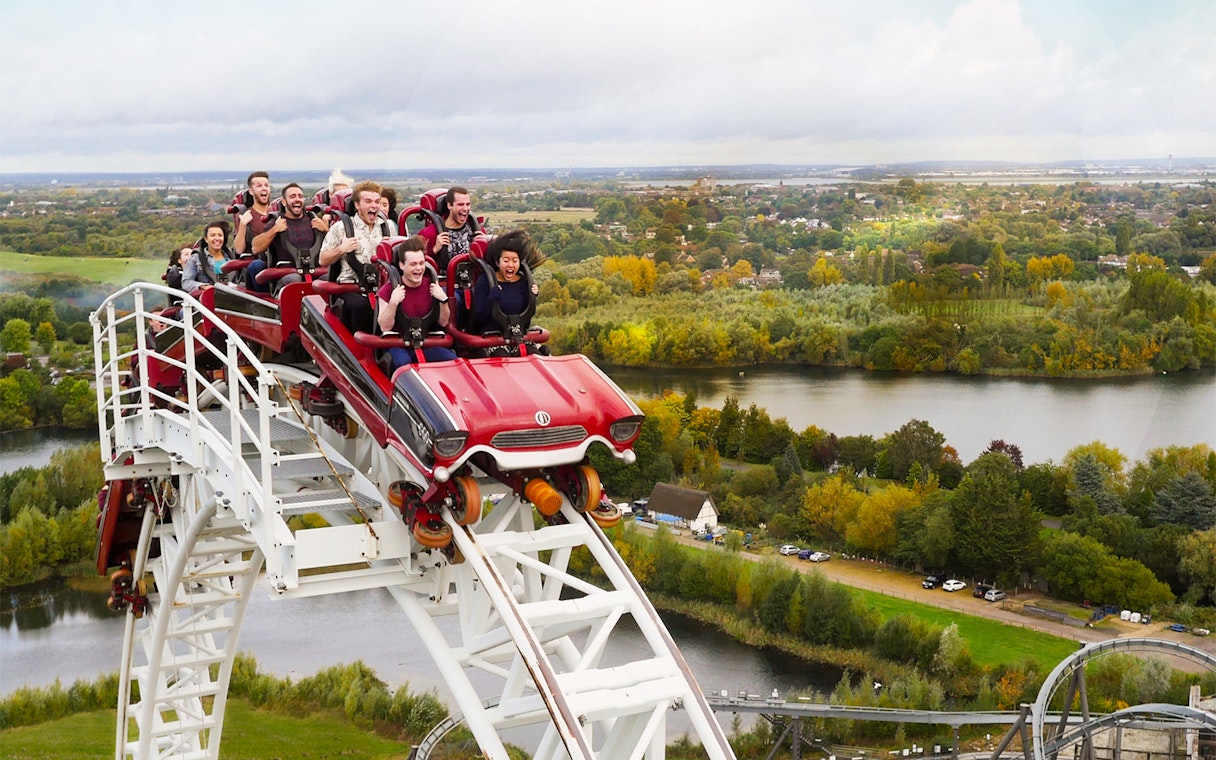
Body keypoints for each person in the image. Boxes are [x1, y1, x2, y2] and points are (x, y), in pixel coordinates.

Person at [376, 236, 455, 370]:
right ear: (402, 265)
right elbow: (385, 327)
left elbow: (443, 322)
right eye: (413, 264)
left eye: (421, 263)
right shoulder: (388, 290)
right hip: (399, 346)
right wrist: (393, 303)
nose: (419, 268)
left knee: (451, 360)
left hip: (425, 343)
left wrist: (443, 301)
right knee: (403, 362)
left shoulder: (431, 286)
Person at [318, 181, 387, 334]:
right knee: (361, 307)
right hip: (351, 285)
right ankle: (362, 352)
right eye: (368, 201)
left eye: (377, 202)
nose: (374, 206)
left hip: (381, 285)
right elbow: (322, 259)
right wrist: (341, 249)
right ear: (357, 205)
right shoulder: (341, 228)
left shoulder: (387, 227)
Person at [472, 229, 547, 353]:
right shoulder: (485, 281)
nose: (510, 265)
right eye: (506, 261)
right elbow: (479, 316)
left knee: (535, 354)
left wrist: (532, 297)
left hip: (517, 336)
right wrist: (492, 298)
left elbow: (526, 317)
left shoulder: (523, 281)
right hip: (493, 338)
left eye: (515, 261)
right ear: (498, 262)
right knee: (501, 356)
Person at [254, 183, 329, 291]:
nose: (297, 199)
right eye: (292, 196)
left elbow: (337, 245)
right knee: (295, 279)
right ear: (284, 202)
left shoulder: (314, 219)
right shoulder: (276, 221)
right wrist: (275, 229)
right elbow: (256, 248)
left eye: (300, 196)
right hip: (288, 273)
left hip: (315, 271)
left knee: (328, 279)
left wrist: (326, 229)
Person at [417, 186, 487, 275]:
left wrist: (485, 246)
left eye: (468, 204)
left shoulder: (477, 231)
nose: (465, 209)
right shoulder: (429, 233)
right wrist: (434, 250)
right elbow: (415, 264)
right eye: (460, 204)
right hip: (444, 284)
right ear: (449, 205)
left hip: (473, 282)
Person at [182, 221, 233, 292]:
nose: (217, 238)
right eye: (213, 235)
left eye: (220, 235)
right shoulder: (196, 258)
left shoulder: (232, 257)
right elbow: (186, 282)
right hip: (207, 299)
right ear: (206, 239)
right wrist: (202, 286)